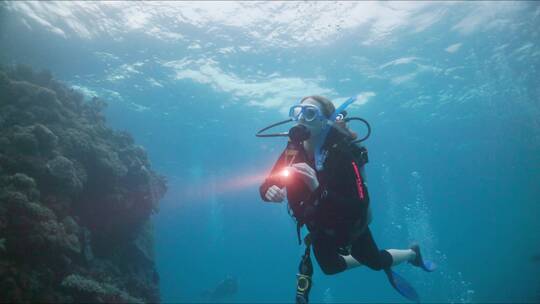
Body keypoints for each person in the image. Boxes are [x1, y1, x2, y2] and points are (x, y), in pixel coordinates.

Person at [258, 96, 435, 303]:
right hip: (318, 224)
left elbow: (359, 205)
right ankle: (360, 258)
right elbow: (266, 185)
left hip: (349, 224)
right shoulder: (292, 151)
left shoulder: (342, 152)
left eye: (310, 113)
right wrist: (269, 192)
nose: (302, 119)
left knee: (376, 262)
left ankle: (412, 254)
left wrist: (317, 187)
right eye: (297, 112)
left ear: (325, 120)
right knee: (330, 268)